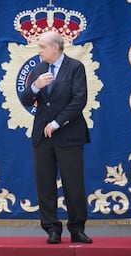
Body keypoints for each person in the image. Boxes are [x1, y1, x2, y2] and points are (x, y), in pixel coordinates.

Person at [21, 31, 92, 244]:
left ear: (55, 47)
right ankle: (52, 228)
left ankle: (77, 229)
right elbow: (25, 98)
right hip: (43, 137)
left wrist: (57, 123)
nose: (39, 51)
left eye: (42, 47)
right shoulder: (38, 69)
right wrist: (36, 86)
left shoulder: (75, 68)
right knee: (45, 185)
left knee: (73, 184)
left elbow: (79, 100)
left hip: (69, 134)